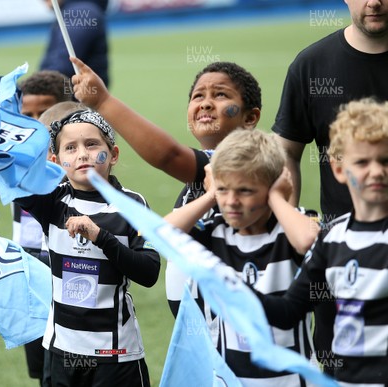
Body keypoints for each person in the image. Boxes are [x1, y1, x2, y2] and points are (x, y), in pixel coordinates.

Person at [0, 109, 160, 386]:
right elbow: (10, 176)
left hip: (116, 355)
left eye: (92, 144)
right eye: (70, 148)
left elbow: (149, 272)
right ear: (56, 161)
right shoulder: (52, 201)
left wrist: (100, 236)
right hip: (62, 352)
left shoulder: (132, 205)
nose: (82, 154)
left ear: (114, 154)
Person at [70, 57, 262, 316]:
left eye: (220, 95)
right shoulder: (203, 175)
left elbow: (168, 156)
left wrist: (103, 102)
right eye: (198, 96)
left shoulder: (240, 162)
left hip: (234, 330)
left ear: (250, 117)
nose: (205, 102)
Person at [165, 129, 319, 385]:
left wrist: (277, 197)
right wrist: (210, 195)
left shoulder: (292, 226)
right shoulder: (215, 230)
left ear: (271, 187)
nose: (232, 202)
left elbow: (306, 240)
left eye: (245, 191)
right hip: (231, 379)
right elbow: (162, 235)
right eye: (224, 190)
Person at [258, 98, 388, 385]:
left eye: (385, 160)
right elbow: (289, 311)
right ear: (339, 169)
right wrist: (233, 289)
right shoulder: (331, 237)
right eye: (363, 162)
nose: (377, 171)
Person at [272, 0, 388, 221]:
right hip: (342, 243)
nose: (374, 2)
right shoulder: (311, 65)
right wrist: (288, 226)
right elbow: (286, 152)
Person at [15, 71, 74, 385]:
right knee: (43, 372)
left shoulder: (79, 169)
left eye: (46, 113)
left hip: (68, 280)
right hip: (31, 280)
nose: (39, 123)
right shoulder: (16, 163)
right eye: (29, 115)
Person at [40, 0, 109, 86]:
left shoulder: (80, 13)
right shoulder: (77, 11)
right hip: (75, 95)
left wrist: (34, 89)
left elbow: (62, 66)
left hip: (73, 97)